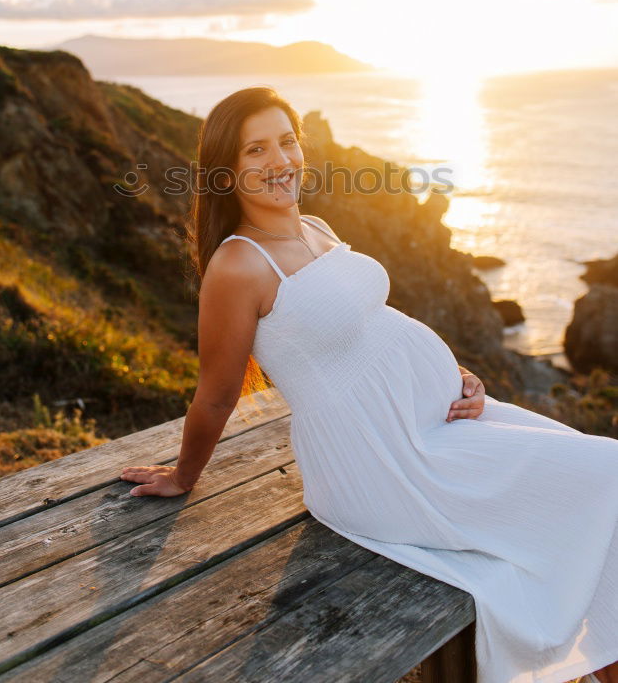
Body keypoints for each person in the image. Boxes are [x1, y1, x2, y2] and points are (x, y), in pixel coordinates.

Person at [121, 86, 618, 683]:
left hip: (439, 420)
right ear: (226, 173)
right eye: (256, 150)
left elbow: (369, 325)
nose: (279, 160)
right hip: (385, 459)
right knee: (605, 481)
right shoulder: (237, 266)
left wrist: (456, 373)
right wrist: (182, 476)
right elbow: (217, 393)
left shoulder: (316, 228)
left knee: (599, 488)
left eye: (286, 141)